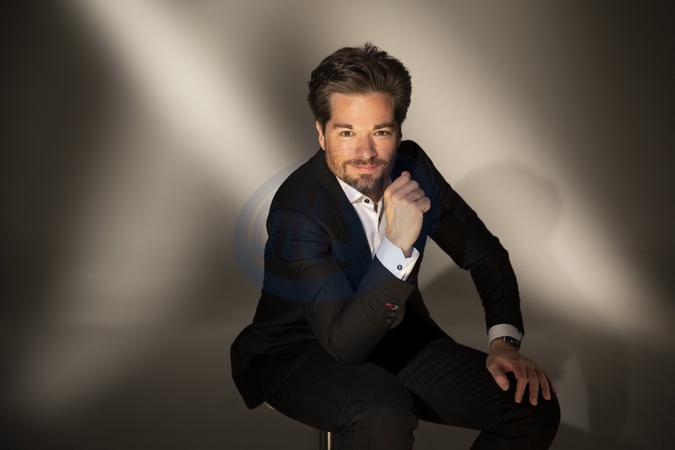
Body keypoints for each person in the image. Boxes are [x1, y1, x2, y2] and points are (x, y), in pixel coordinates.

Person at [231, 43, 560, 449]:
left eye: (381, 132)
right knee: (382, 412)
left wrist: (503, 343)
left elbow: (484, 254)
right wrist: (397, 245)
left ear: (399, 133)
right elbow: (344, 347)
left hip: (393, 336)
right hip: (300, 349)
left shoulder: (412, 168)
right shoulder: (299, 206)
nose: (365, 153)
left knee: (532, 405)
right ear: (321, 133)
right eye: (347, 132)